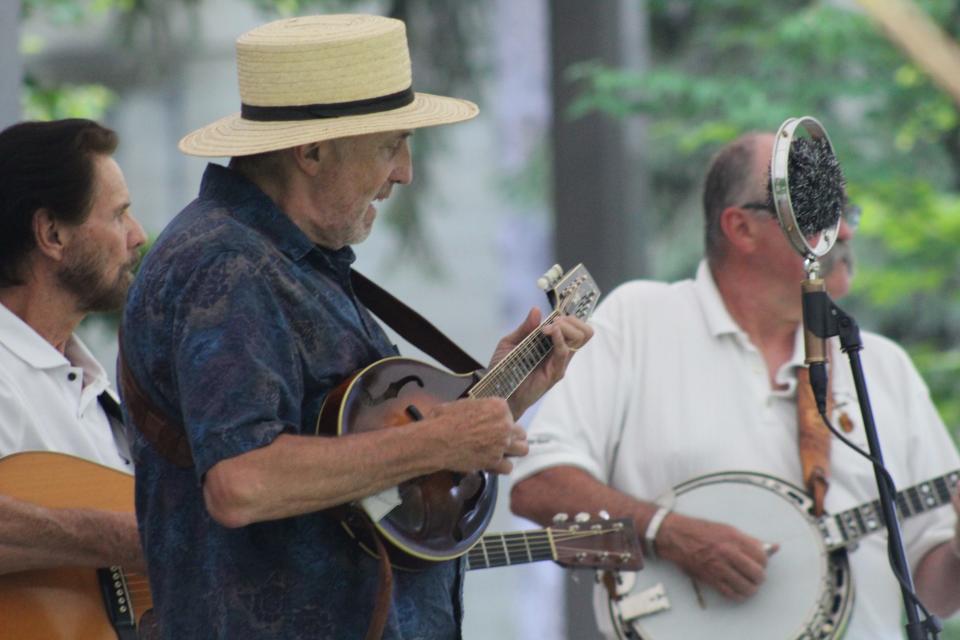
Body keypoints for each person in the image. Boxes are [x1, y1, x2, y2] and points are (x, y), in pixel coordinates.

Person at [120, 14, 591, 640]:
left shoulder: (285, 260)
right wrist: (437, 444)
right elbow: (243, 482)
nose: (405, 171)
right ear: (310, 150)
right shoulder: (226, 266)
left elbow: (352, 448)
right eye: (389, 143)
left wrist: (503, 396)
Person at [510, 131, 960, 639]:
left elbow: (934, 587)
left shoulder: (882, 366)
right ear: (741, 228)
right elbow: (539, 485)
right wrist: (669, 533)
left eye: (841, 210)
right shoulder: (640, 321)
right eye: (814, 210)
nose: (844, 234)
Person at [0, 119, 146, 575]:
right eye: (119, 214)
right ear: (52, 234)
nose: (137, 235)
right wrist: (119, 539)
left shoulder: (92, 383)